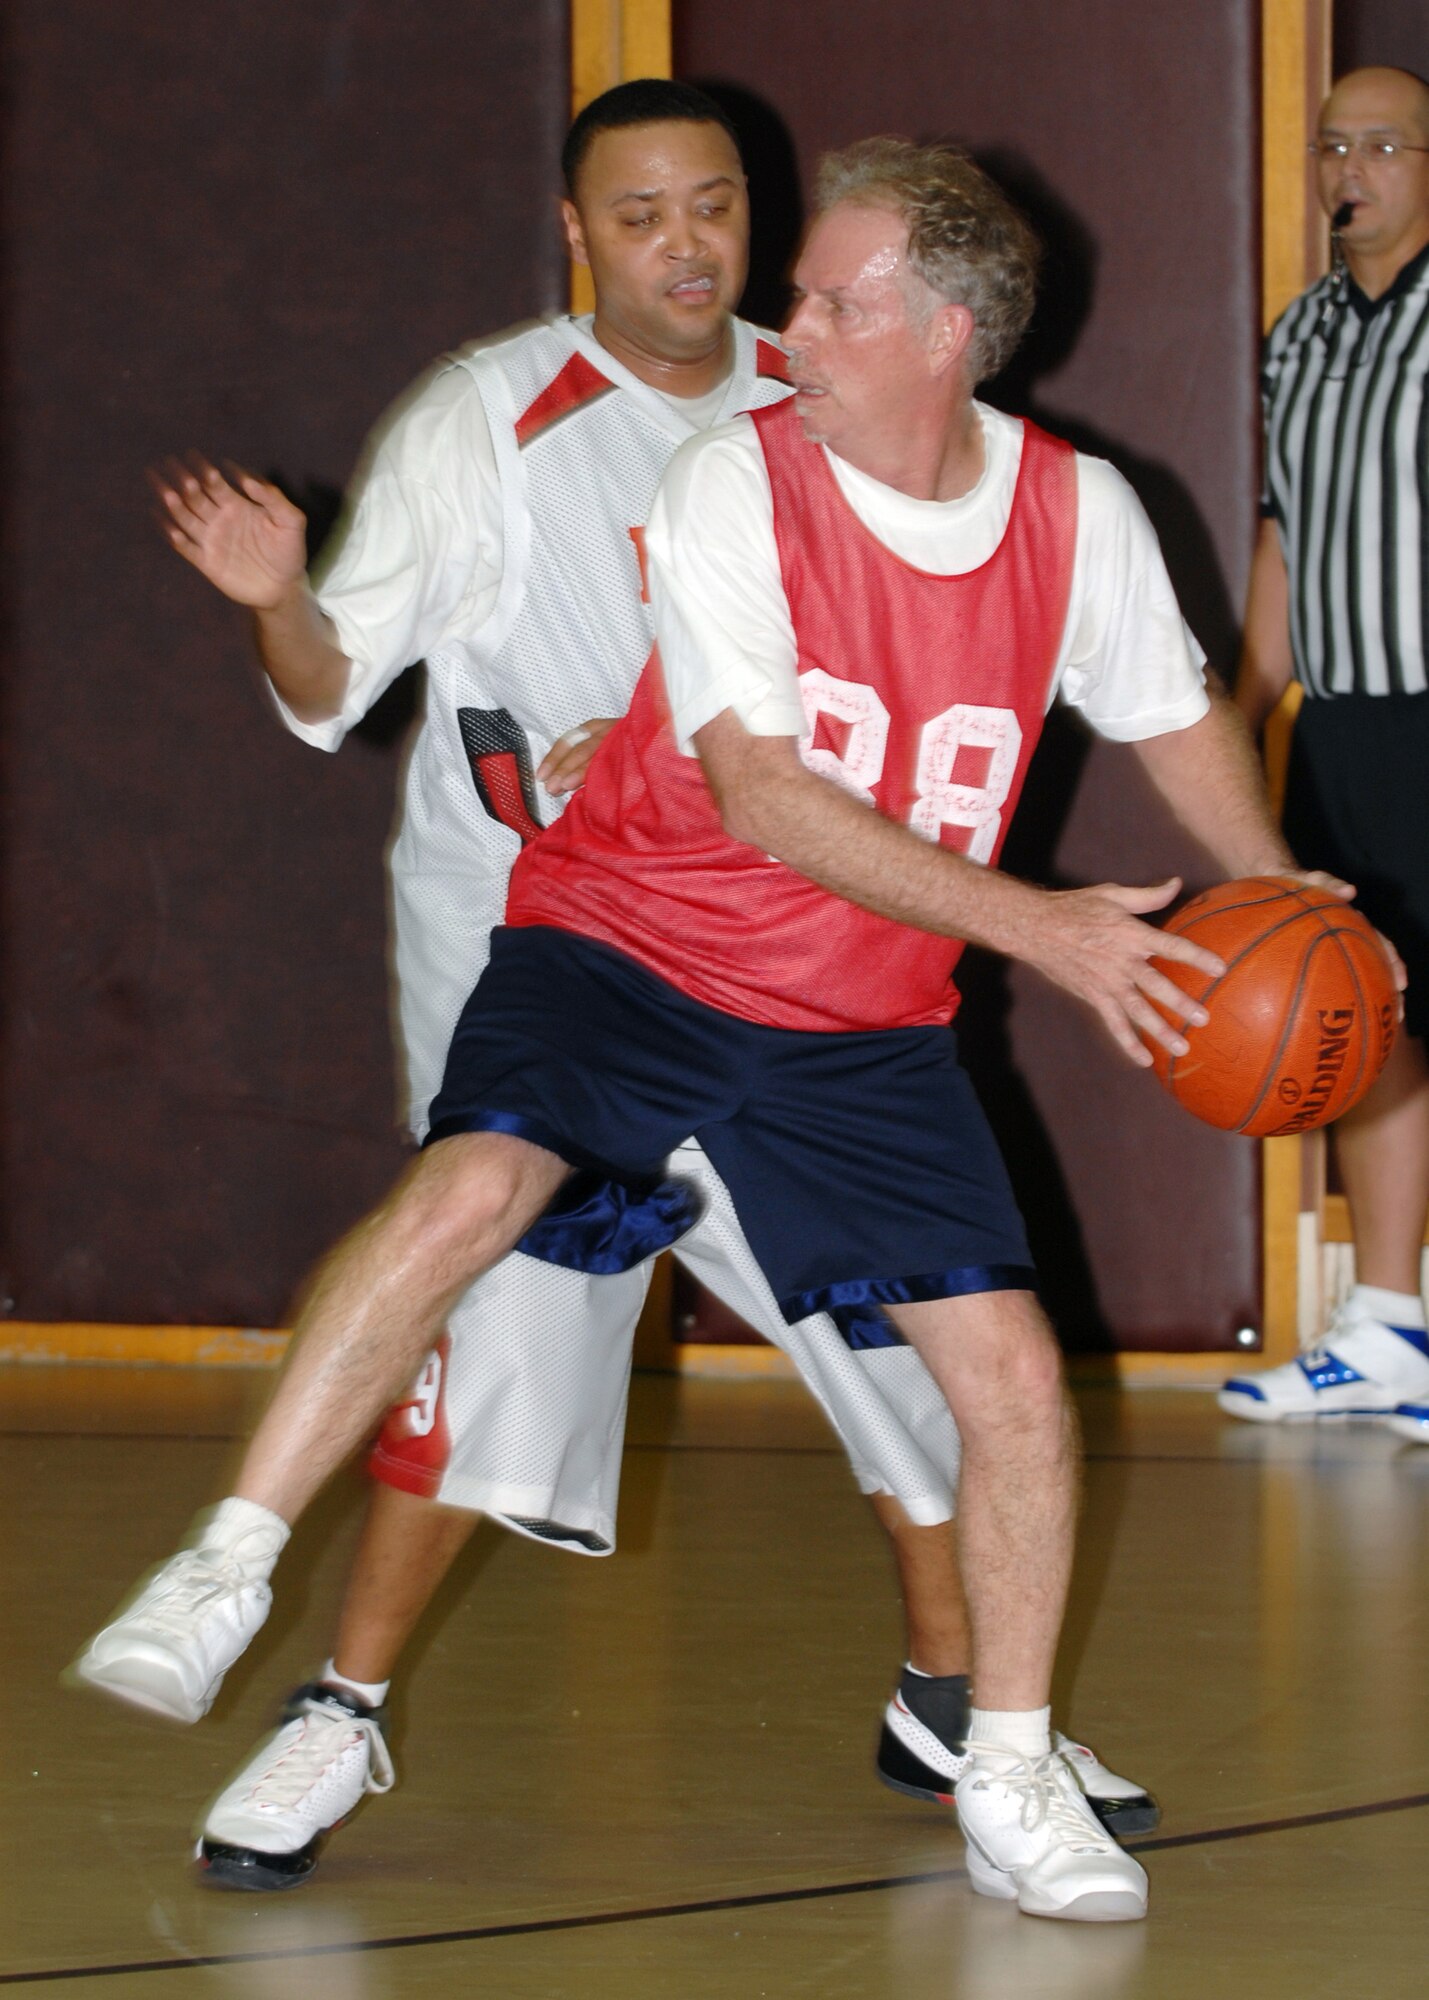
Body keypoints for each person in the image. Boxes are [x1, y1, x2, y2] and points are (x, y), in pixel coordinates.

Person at [76, 132, 1303, 1924]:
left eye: (813, 280)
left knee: (989, 1385)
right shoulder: (704, 462)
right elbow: (754, 791)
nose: (776, 303)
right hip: (622, 947)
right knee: (483, 1252)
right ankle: (263, 1611)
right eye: (657, 219)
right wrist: (1047, 927)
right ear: (579, 229)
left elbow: (1171, 713)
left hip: (854, 1009)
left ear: (943, 332)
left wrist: (1283, 894)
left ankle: (991, 1743)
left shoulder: (1065, 505)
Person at [1220, 66, 1429, 1432]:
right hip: (1347, 726)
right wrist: (1240, 714)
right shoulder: (1294, 335)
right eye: (1332, 144)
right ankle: (1393, 1327)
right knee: (1372, 1018)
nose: (1350, 168)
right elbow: (1282, 538)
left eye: (1384, 145)